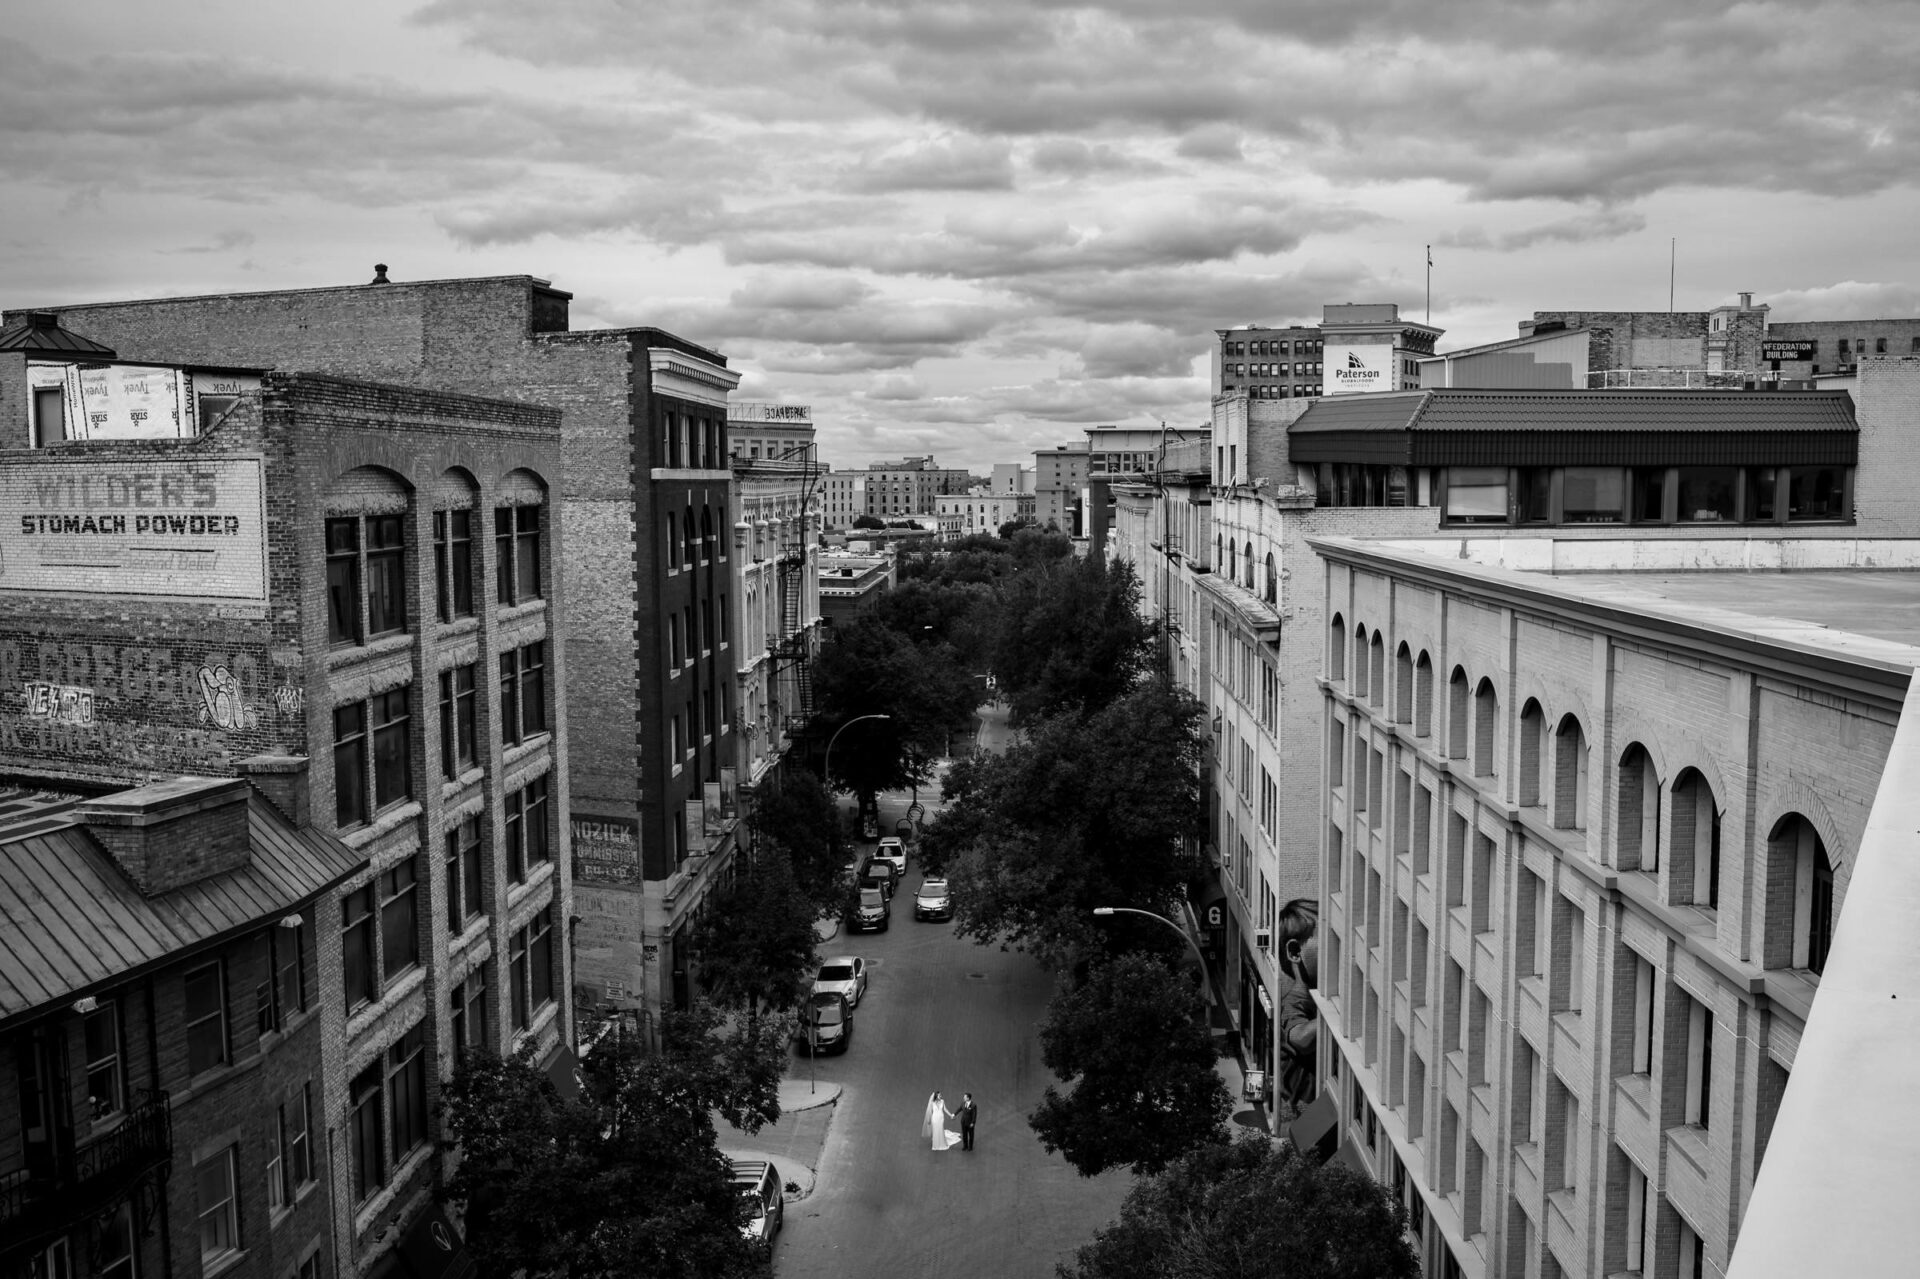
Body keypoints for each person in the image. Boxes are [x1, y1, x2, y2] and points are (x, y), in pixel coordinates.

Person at [1273, 898, 1319, 1112]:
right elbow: (1300, 1038)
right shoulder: (1292, 1004)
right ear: (1294, 952)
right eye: (1333, 940)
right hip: (1308, 1110)